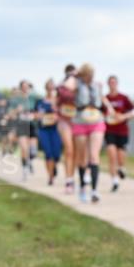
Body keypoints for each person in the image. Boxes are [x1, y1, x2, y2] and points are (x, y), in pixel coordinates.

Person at [66, 64, 107, 203]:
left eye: (92, 74)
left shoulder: (97, 85)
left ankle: (94, 191)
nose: (90, 77)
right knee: (82, 157)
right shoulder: (77, 84)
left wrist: (111, 109)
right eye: (87, 74)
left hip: (96, 121)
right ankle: (83, 187)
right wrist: (74, 75)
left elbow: (102, 99)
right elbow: (68, 86)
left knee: (94, 156)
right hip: (80, 122)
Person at [103, 75, 134, 192]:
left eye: (114, 82)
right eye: (110, 82)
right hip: (109, 130)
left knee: (120, 156)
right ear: (108, 84)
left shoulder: (123, 98)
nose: (112, 84)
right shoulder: (105, 99)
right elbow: (100, 113)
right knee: (111, 155)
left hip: (122, 130)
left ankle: (122, 168)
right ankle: (115, 181)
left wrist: (123, 116)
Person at [55, 64, 78, 194]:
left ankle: (73, 176)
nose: (72, 76)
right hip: (64, 120)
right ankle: (68, 180)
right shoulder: (62, 86)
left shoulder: (80, 86)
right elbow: (59, 99)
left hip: (77, 121)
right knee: (69, 149)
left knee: (75, 151)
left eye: (73, 73)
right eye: (69, 74)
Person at [35, 80, 62, 185]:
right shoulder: (40, 102)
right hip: (44, 129)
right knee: (48, 153)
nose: (50, 90)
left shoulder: (58, 102)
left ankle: (54, 167)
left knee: (56, 154)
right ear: (46, 88)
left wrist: (57, 115)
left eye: (52, 88)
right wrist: (39, 116)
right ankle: (50, 177)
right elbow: (35, 114)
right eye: (49, 87)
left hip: (56, 130)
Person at [12, 80, 39, 180]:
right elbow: (11, 114)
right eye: (23, 87)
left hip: (32, 125)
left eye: (27, 87)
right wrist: (16, 110)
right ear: (20, 88)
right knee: (24, 148)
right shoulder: (16, 100)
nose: (25, 89)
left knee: (33, 151)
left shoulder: (33, 98)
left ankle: (30, 161)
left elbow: (39, 111)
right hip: (21, 125)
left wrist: (35, 115)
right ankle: (24, 170)